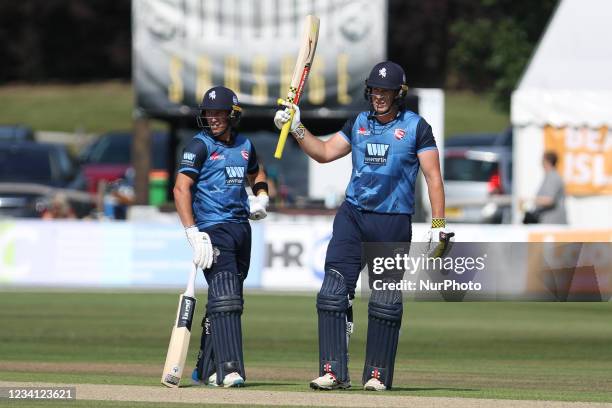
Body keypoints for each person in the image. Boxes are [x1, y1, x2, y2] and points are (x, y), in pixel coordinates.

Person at [274, 61, 452, 391]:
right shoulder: (358, 123)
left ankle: (377, 375)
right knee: (331, 293)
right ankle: (333, 371)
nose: (379, 96)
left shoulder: (416, 127)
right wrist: (297, 128)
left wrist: (438, 225)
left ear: (399, 94)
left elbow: (433, 177)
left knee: (385, 301)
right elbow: (325, 153)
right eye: (375, 90)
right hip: (353, 216)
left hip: (393, 221)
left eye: (386, 91)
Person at [173, 86, 269, 388]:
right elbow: (180, 189)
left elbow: (257, 172)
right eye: (209, 112)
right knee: (226, 297)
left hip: (241, 229)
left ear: (232, 114)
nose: (212, 117)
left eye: (218, 112)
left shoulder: (244, 145)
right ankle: (229, 369)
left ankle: (205, 368)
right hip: (212, 230)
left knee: (227, 300)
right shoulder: (199, 146)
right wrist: (192, 233)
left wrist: (261, 197)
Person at [523, 151, 567, 224]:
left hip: (553, 222)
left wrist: (527, 201)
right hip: (547, 221)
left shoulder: (553, 177)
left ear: (546, 162)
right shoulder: (549, 176)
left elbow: (549, 200)